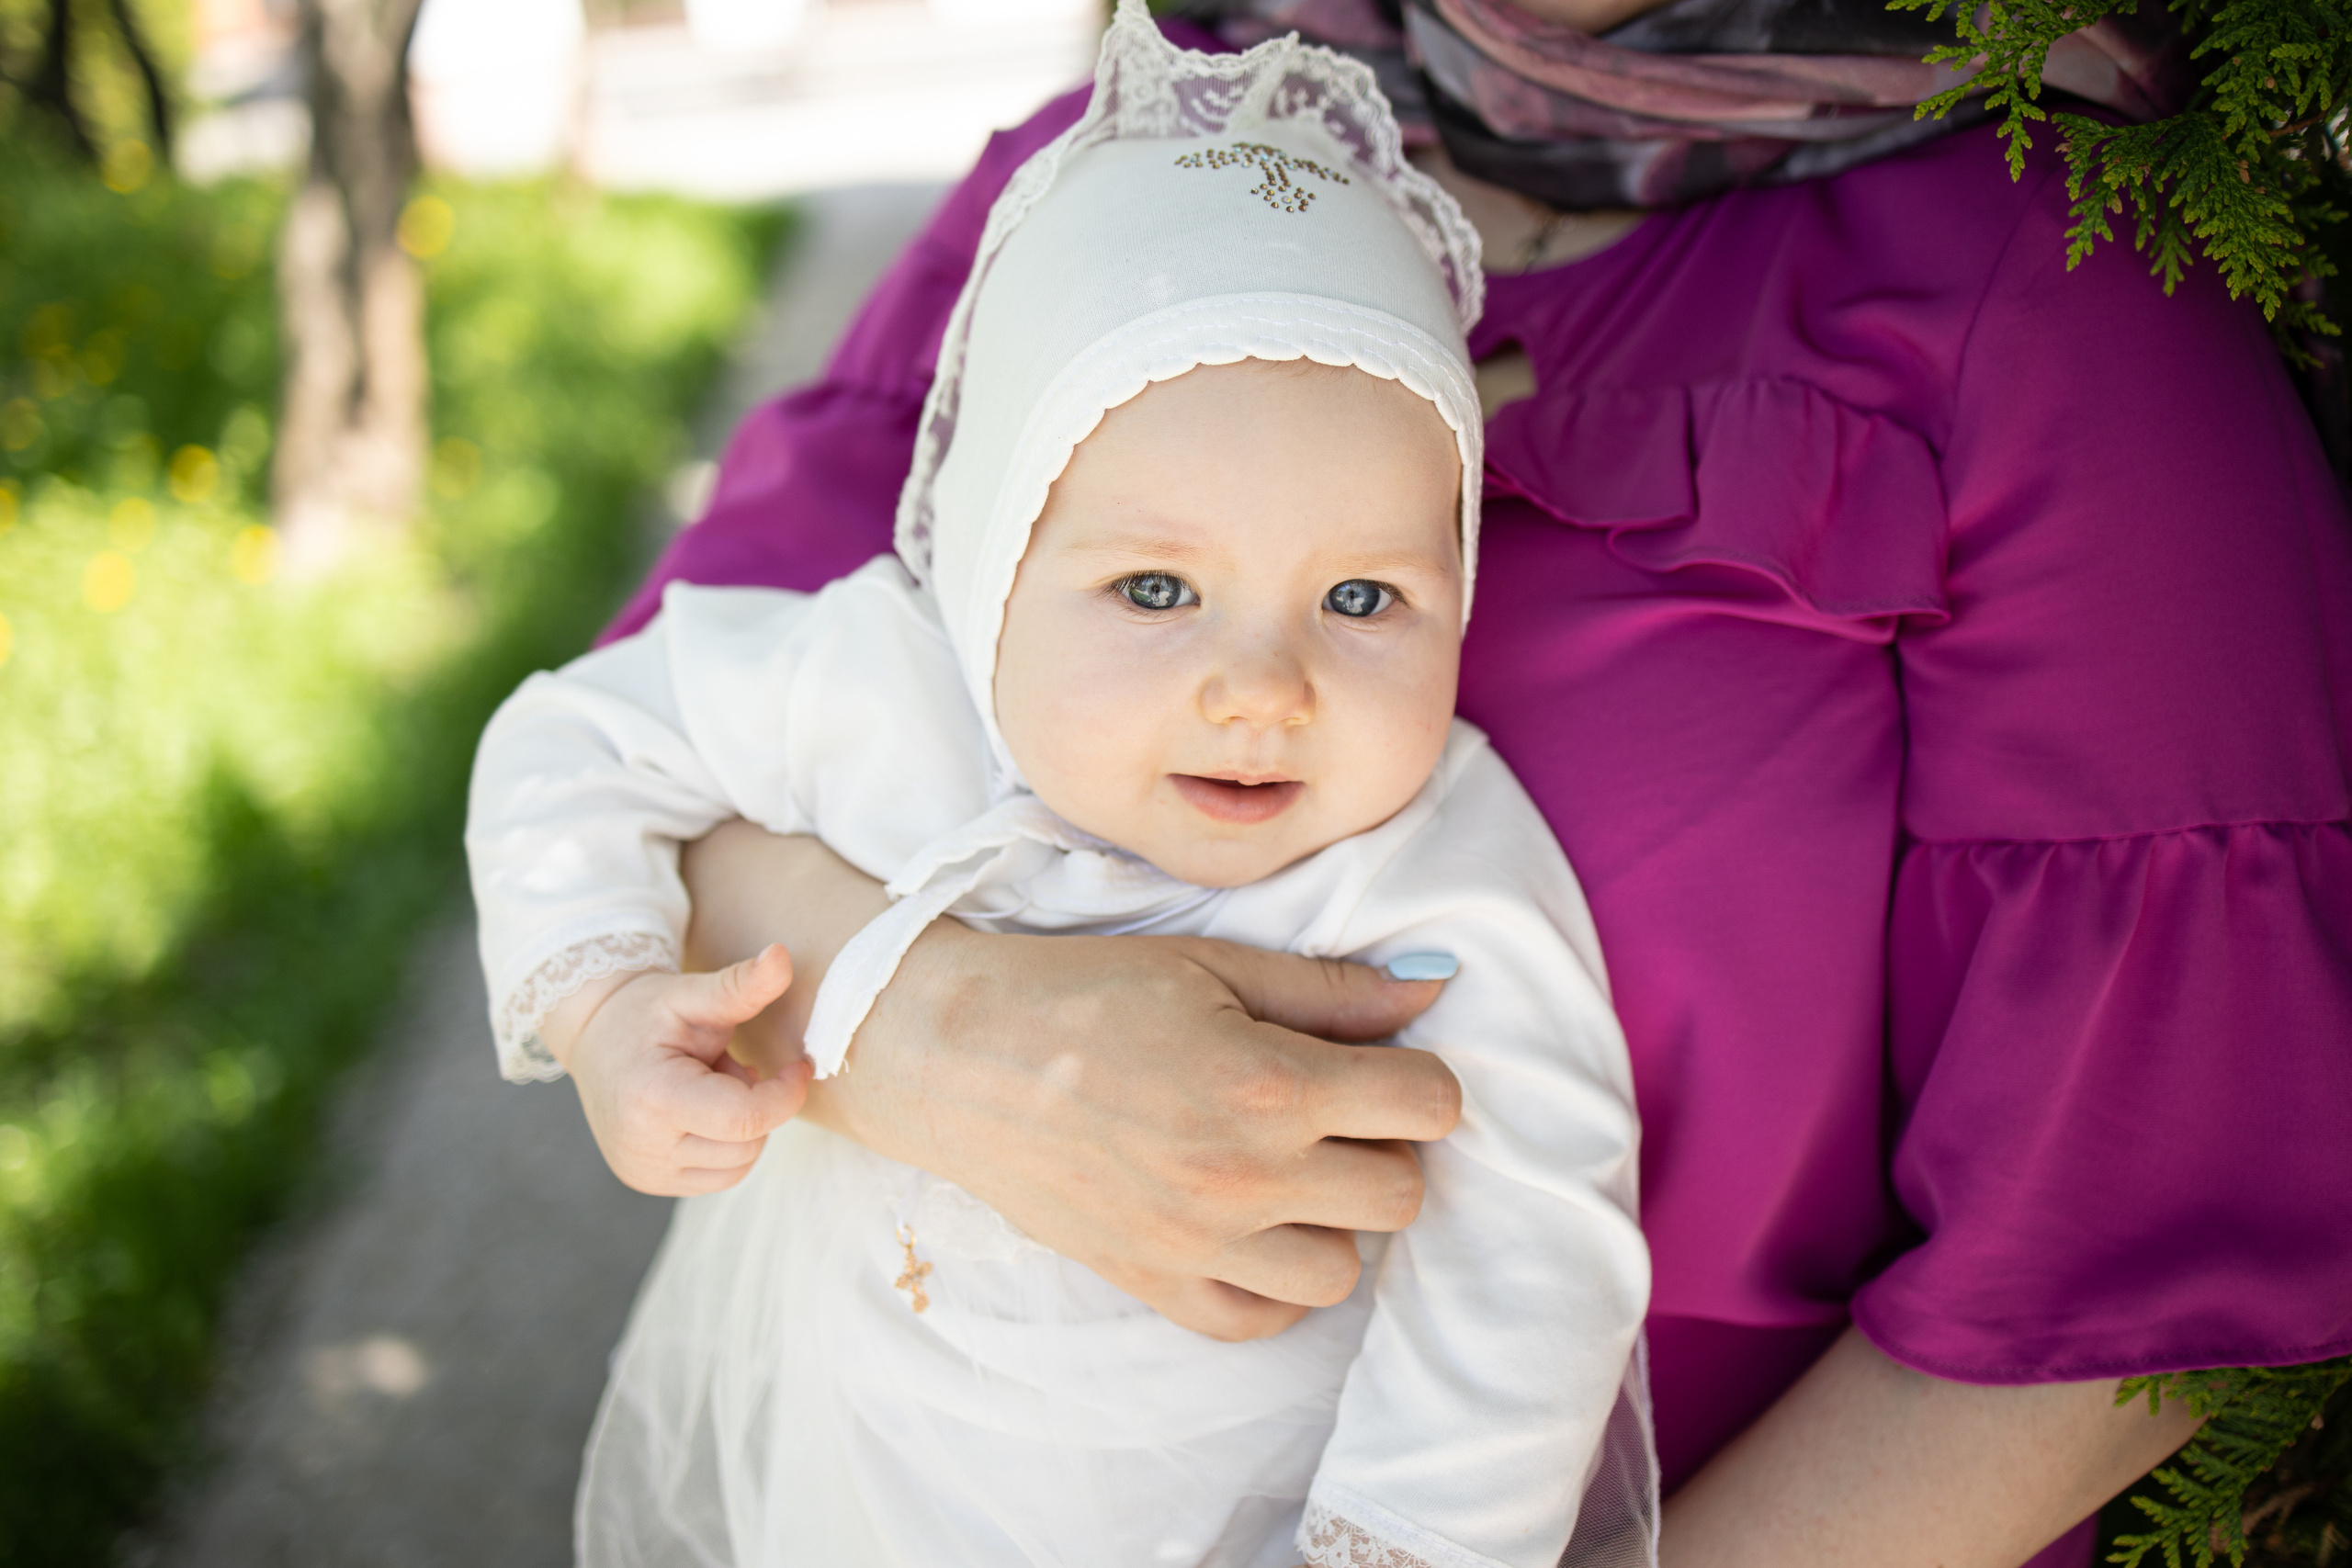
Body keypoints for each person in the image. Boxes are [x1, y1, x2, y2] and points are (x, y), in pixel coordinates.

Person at [562, 3, 2352, 1566]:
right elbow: (646, 758)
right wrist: (936, 1026)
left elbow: (2143, 1244)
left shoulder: (2057, 286)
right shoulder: (1110, 177)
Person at [469, 17, 1655, 1565]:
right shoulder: (889, 682)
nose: (1261, 687)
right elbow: (573, 741)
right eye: (1157, 589)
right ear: (990, 553)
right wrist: (605, 999)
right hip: (851, 1491)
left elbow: (1533, 1266)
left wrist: (1401, 1543)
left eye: (1363, 601)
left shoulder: (1434, 879)